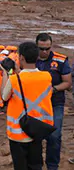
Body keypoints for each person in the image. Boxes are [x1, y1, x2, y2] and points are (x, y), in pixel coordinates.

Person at [1, 41, 54, 170]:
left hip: (18, 132)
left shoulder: (15, 79)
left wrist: (5, 73)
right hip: (37, 129)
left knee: (20, 166)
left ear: (21, 58)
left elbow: (4, 96)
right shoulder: (47, 77)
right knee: (35, 165)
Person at [35, 33, 72, 170]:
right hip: (36, 104)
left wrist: (54, 89)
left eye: (47, 48)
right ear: (36, 46)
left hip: (55, 102)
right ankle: (36, 165)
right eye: (41, 49)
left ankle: (52, 166)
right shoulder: (31, 59)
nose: (44, 52)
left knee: (54, 135)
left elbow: (67, 82)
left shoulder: (60, 60)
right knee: (36, 135)